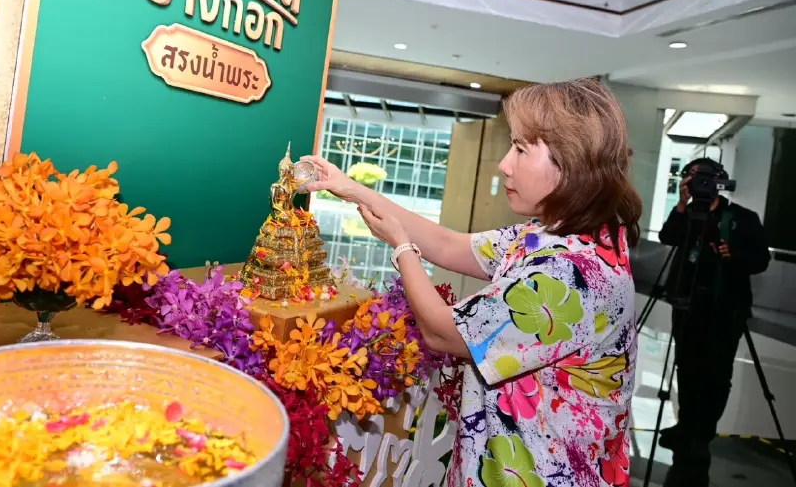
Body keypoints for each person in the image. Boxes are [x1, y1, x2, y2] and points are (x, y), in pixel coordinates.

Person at [302, 78, 641, 487]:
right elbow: (448, 244)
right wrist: (351, 189)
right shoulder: (555, 236)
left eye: (521, 149)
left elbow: (443, 332)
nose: (505, 164)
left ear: (571, 162)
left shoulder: (572, 275)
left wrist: (402, 248)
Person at [657, 158, 770, 487]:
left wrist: (734, 256)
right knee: (686, 367)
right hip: (687, 304)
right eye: (694, 178)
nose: (699, 184)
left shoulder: (742, 219)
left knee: (716, 373)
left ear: (720, 182)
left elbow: (761, 260)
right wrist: (681, 205)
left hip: (726, 308)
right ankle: (685, 427)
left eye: (705, 178)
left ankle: (701, 435)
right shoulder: (688, 215)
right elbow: (668, 237)